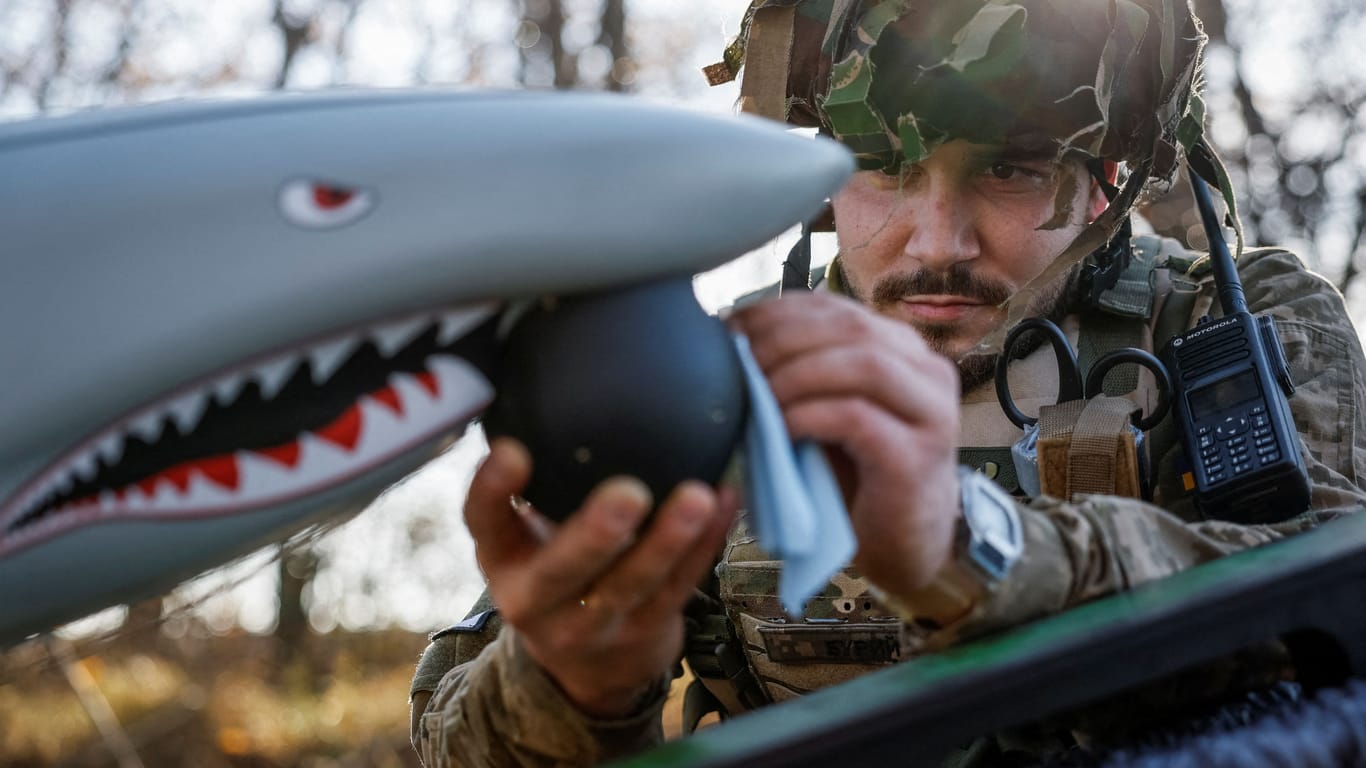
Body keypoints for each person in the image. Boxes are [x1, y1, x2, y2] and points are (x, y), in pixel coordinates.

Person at [410, 1, 1366, 765]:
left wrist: (972, 550)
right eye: (876, 165)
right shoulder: (714, 380)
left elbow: (1338, 626)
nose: (937, 242)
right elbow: (457, 734)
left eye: (1015, 171)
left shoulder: (1228, 328)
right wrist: (571, 687)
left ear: (1110, 174)